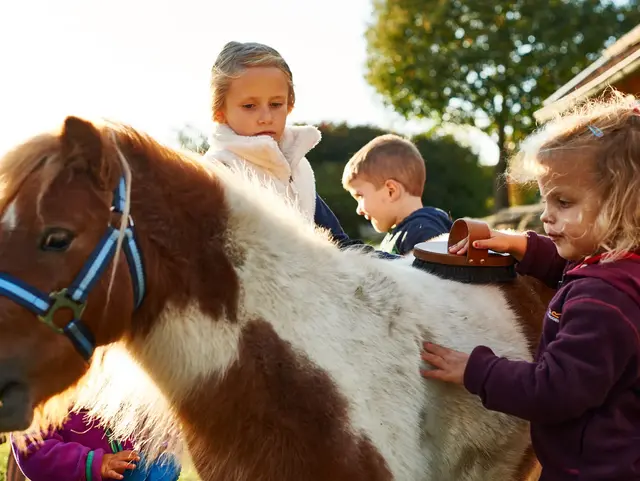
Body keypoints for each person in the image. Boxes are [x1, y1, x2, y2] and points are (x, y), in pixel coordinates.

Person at [420, 94, 640, 480]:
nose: (545, 215)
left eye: (564, 202)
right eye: (545, 199)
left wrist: (478, 369)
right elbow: (573, 267)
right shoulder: (622, 269)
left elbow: (555, 391)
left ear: (624, 204)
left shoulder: (602, 301)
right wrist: (520, 244)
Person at [203, 40, 352, 245]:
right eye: (249, 106)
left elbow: (339, 244)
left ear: (289, 105)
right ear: (219, 112)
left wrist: (400, 265)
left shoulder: (298, 166)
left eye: (275, 104)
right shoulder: (218, 171)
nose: (266, 117)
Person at [342, 134, 452, 255]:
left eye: (360, 196)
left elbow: (431, 273)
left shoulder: (422, 232)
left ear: (391, 191)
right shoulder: (403, 233)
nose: (359, 210)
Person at [11, 409, 180, 481]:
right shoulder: (44, 397)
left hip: (125, 473)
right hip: (79, 476)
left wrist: (158, 441)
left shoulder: (110, 385)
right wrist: (95, 463)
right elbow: (33, 452)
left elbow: (138, 429)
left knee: (166, 465)